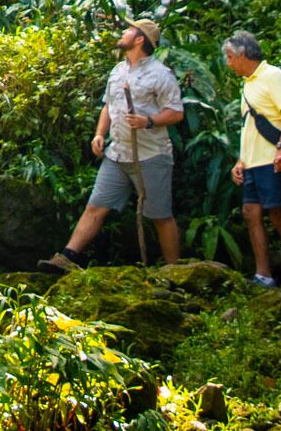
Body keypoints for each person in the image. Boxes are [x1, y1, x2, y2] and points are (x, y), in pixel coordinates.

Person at [42, 19, 184, 272]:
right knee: (96, 206)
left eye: (129, 30)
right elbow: (109, 106)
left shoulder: (161, 74)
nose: (124, 32)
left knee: (160, 215)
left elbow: (175, 113)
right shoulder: (118, 70)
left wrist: (148, 121)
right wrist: (99, 134)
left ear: (140, 39)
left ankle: (176, 271)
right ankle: (66, 258)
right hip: (117, 153)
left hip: (151, 155)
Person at [224, 30, 281, 288]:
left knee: (277, 214)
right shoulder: (248, 84)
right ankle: (264, 275)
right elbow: (249, 127)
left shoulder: (272, 75)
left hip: (272, 159)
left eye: (229, 57)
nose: (228, 63)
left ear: (242, 54)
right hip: (251, 162)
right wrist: (240, 161)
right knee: (251, 212)